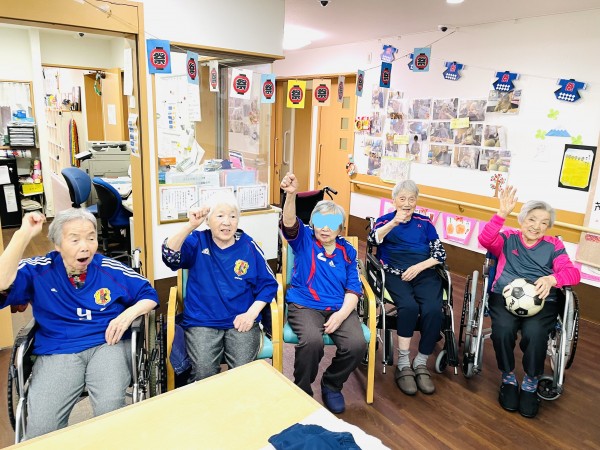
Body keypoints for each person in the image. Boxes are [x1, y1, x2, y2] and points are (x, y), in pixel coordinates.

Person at [0, 209, 158, 439]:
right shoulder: (38, 269)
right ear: (57, 244)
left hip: (107, 343)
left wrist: (127, 315)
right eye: (74, 240)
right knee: (42, 428)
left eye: (91, 238)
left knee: (111, 413)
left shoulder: (109, 268)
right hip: (58, 349)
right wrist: (23, 234)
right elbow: (2, 282)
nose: (85, 246)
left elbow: (149, 294)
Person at [478, 186, 581, 418]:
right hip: (504, 296)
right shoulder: (508, 238)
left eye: (544, 222)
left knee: (535, 334)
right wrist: (501, 214)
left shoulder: (553, 245)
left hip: (543, 300)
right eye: (532, 219)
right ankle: (508, 377)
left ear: (548, 227)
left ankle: (531, 382)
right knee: (503, 330)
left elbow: (573, 274)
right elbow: (485, 239)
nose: (536, 226)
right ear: (522, 220)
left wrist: (552, 278)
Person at [162, 192, 277, 381]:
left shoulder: (248, 246)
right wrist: (190, 226)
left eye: (233, 216)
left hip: (241, 319)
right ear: (208, 220)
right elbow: (169, 256)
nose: (227, 222)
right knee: (203, 371)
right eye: (220, 215)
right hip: (202, 321)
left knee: (242, 372)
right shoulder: (197, 241)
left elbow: (269, 284)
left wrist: (251, 314)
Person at [280, 172, 366, 414]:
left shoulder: (347, 250)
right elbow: (289, 222)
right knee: (312, 341)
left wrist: (341, 315)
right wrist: (291, 196)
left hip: (339, 307)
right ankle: (302, 390)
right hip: (305, 305)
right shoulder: (304, 240)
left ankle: (332, 384)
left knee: (357, 345)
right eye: (320, 222)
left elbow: (354, 288)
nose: (325, 228)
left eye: (332, 223)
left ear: (340, 227)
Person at [368, 180, 446, 396]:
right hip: (394, 273)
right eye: (402, 199)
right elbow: (373, 240)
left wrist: (419, 267)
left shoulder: (425, 223)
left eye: (412, 199)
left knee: (433, 309)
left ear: (416, 201)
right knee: (409, 307)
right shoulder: (385, 221)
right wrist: (393, 223)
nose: (407, 203)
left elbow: (439, 254)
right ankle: (403, 363)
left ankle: (420, 362)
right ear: (394, 201)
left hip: (424, 272)